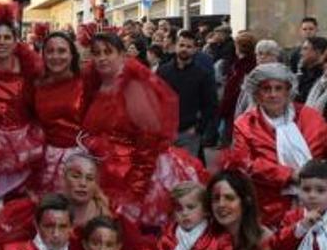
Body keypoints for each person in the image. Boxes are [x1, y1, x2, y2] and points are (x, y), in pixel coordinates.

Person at [83, 32, 205, 228]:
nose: (102, 57)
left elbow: (150, 139)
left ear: (122, 55)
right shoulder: (100, 83)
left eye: (108, 52)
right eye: (96, 53)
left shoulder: (132, 86)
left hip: (136, 174)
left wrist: (136, 188)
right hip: (107, 171)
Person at [228, 63, 327, 228]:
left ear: (288, 91)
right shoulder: (245, 123)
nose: (273, 94)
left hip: (317, 199)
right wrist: (289, 175)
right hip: (269, 205)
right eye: (266, 89)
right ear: (257, 94)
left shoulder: (311, 116)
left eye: (278, 88)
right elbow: (243, 163)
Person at [0, 4, 44, 198]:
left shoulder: (28, 69)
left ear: (16, 42)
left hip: (23, 145)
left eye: (7, 37)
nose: (1, 42)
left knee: (19, 204)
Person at [31, 32, 88, 193]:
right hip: (46, 162)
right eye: (50, 51)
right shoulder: (37, 86)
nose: (56, 56)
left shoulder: (87, 83)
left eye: (62, 51)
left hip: (82, 160)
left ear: (72, 55)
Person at [158, 29, 218, 158]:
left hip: (188, 132)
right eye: (181, 45)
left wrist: (198, 129)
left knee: (187, 172)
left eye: (189, 46)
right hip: (166, 132)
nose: (184, 49)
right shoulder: (163, 71)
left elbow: (211, 104)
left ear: (195, 49)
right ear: (175, 47)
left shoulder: (202, 74)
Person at [217, 31, 257, 145]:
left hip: (236, 111)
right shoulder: (251, 65)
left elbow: (231, 90)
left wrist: (222, 110)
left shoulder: (239, 67)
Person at [296, 36, 327, 103]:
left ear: (318, 52)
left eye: (305, 49)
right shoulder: (303, 73)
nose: (301, 53)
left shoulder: (323, 76)